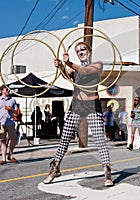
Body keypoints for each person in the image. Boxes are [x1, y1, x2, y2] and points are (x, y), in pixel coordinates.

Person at [43, 41, 113, 187]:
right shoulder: (73, 69)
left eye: (83, 49)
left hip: (92, 106)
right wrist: (61, 66)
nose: (80, 52)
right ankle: (55, 168)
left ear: (89, 50)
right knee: (65, 138)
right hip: (76, 105)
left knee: (100, 140)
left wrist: (68, 63)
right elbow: (66, 76)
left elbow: (85, 71)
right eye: (78, 50)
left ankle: (107, 172)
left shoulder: (97, 65)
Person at [0, 85, 19, 165]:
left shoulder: (12, 100)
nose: (8, 91)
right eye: (6, 89)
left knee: (13, 139)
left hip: (10, 123)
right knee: (3, 140)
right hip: (1, 123)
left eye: (8, 89)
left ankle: (10, 155)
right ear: (1, 91)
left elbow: (17, 112)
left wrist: (10, 109)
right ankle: (3, 158)